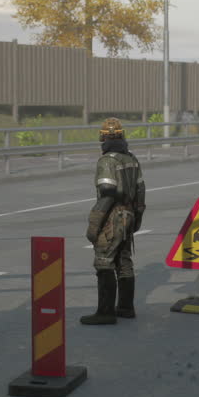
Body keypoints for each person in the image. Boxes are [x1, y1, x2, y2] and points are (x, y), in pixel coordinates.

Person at [81, 117, 145, 325]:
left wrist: (94, 224)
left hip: (113, 217)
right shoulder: (131, 159)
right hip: (129, 215)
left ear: (103, 137)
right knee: (124, 261)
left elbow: (107, 194)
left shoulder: (107, 161)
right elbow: (141, 191)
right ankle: (126, 308)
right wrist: (137, 219)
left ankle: (105, 312)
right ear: (122, 135)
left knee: (104, 261)